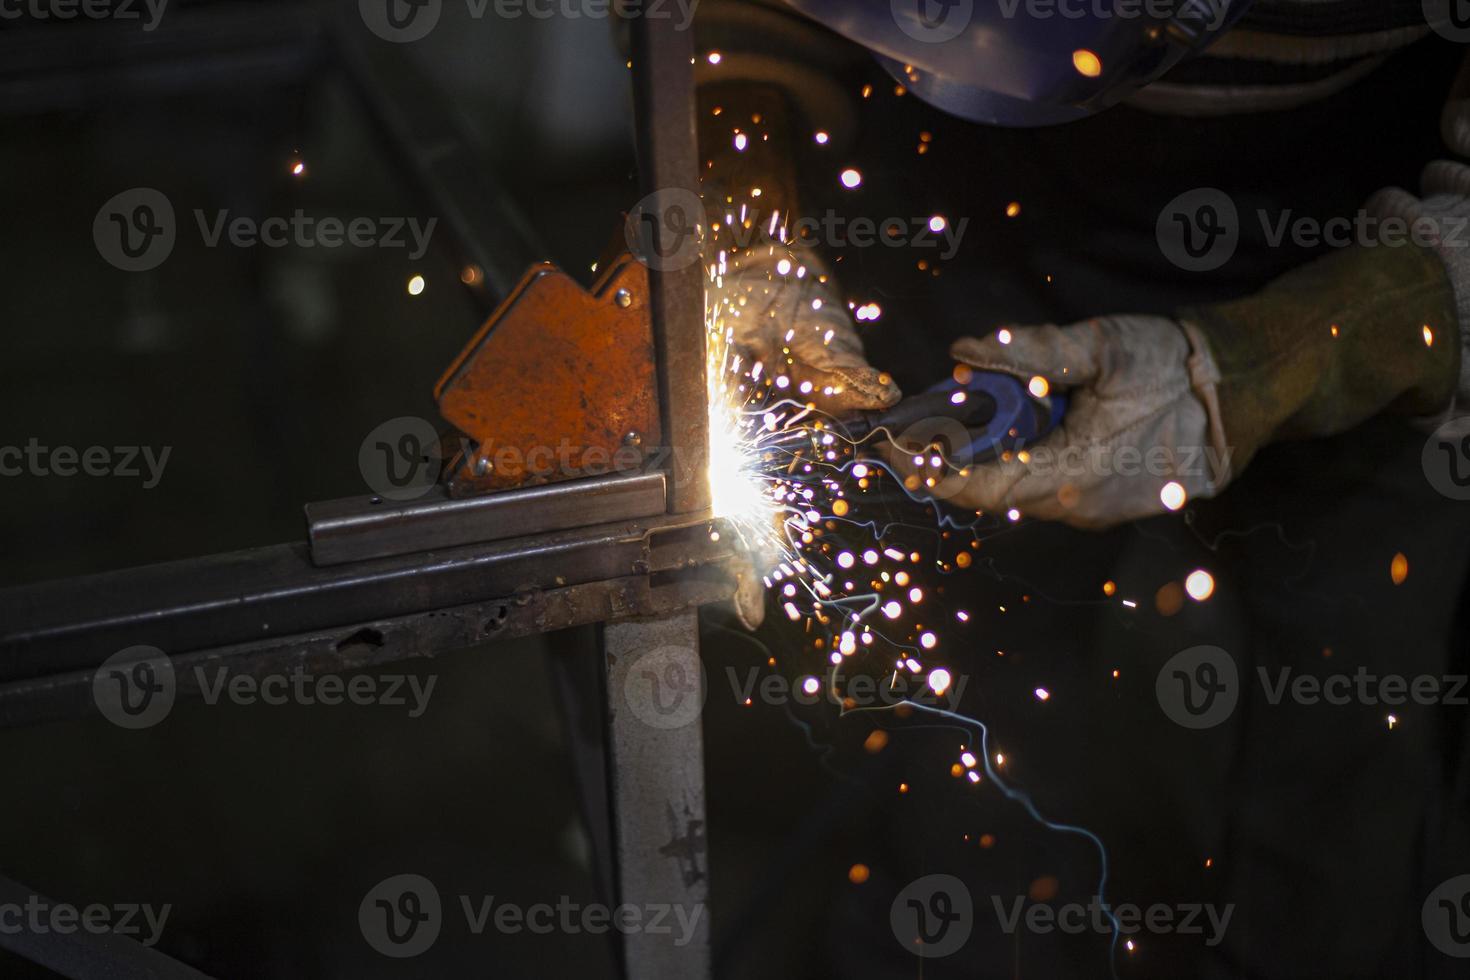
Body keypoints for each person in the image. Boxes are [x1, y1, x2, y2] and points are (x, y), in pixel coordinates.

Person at [691, 3, 1470, 977]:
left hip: (1367, 214)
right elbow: (730, 23)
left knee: (1348, 745)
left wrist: (1262, 365)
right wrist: (746, 224)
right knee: (968, 719)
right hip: (984, 205)